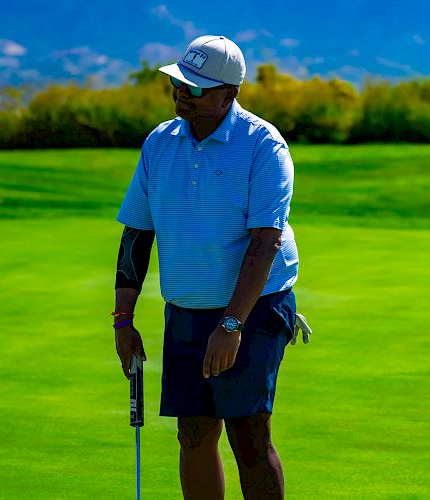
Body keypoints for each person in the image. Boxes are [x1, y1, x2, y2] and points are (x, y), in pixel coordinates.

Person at [113, 35, 299, 500]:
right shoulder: (160, 143)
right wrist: (123, 319)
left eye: (194, 88)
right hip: (186, 309)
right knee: (193, 433)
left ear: (228, 95)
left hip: (253, 307)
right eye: (179, 82)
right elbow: (137, 232)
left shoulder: (263, 146)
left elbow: (265, 242)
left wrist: (232, 324)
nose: (181, 92)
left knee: (248, 436)